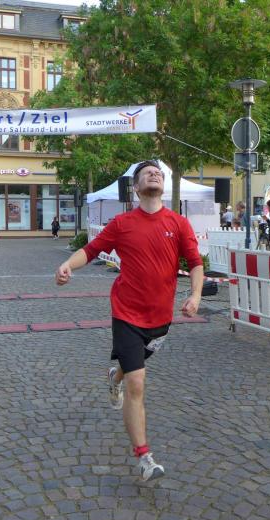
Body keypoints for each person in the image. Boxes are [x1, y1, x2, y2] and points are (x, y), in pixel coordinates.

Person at [55, 160, 203, 482]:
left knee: (131, 368)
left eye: (158, 172)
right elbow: (92, 250)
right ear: (136, 188)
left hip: (160, 318)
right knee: (137, 382)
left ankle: (115, 374)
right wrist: (68, 264)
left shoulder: (178, 223)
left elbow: (195, 263)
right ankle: (144, 457)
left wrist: (195, 295)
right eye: (147, 173)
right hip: (126, 313)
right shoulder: (122, 223)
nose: (154, 174)